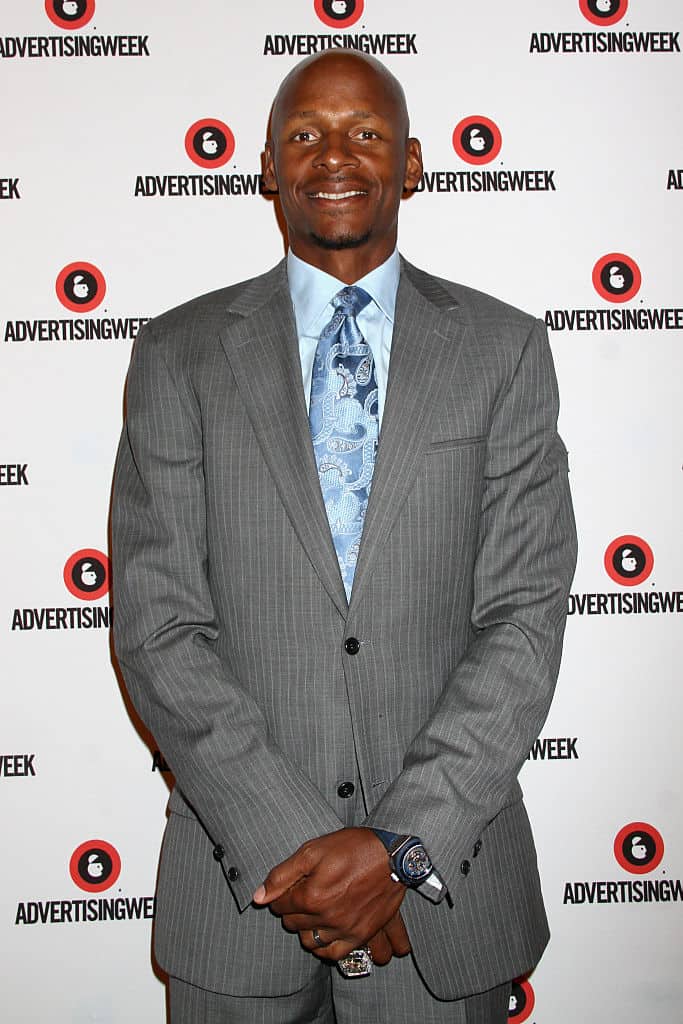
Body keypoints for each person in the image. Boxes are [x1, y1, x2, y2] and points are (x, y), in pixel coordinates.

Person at [112, 49, 577, 1023]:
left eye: (365, 133)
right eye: (304, 135)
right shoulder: (178, 354)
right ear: (266, 169)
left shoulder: (503, 350)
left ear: (410, 163)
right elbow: (157, 625)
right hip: (238, 892)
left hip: (441, 895)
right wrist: (306, 851)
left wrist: (399, 847)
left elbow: (521, 619)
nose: (335, 156)